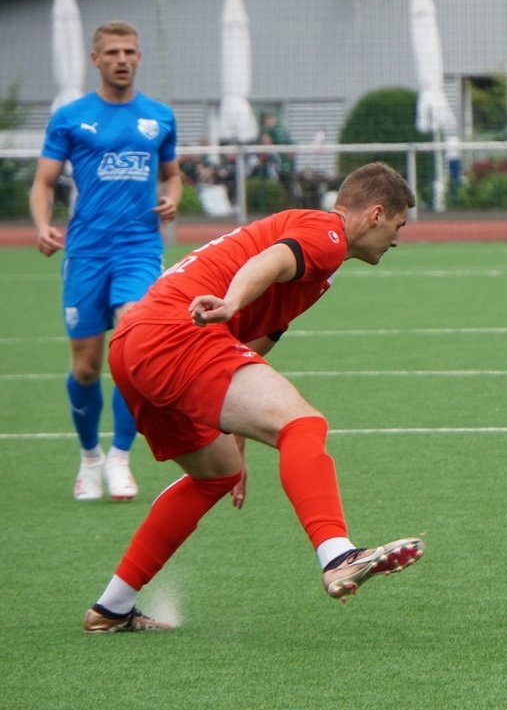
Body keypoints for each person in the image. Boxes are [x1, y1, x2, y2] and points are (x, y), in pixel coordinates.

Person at [83, 161, 424, 633]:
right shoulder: (327, 234)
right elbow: (269, 262)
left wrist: (239, 433)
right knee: (303, 425)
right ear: (376, 214)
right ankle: (337, 555)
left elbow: (257, 341)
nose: (397, 239)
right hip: (177, 333)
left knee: (218, 472)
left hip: (135, 344)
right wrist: (232, 302)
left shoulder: (322, 264)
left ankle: (111, 608)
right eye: (398, 226)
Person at [29, 20, 183, 502]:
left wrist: (172, 197)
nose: (122, 59)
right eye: (113, 52)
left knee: (135, 350)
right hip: (86, 252)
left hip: (139, 250)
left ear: (139, 57)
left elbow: (172, 175)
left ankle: (120, 456)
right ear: (95, 59)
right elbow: (44, 182)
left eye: (129, 51)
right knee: (86, 367)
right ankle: (90, 457)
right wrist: (42, 224)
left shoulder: (159, 117)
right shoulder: (71, 117)